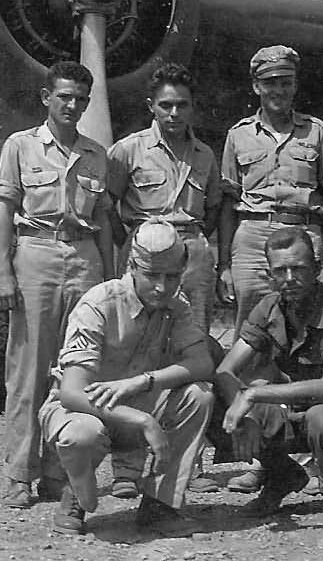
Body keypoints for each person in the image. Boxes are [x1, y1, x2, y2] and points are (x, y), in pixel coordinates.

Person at [217, 44, 323, 493]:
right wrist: (224, 263)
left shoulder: (317, 132)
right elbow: (228, 205)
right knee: (254, 344)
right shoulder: (238, 135)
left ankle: (320, 449)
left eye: (286, 82)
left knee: (312, 335)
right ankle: (264, 455)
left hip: (302, 236)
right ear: (256, 86)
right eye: (269, 82)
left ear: (296, 85)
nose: (278, 90)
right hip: (252, 239)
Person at [39, 220, 215, 536]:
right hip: (85, 410)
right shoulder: (98, 303)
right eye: (152, 276)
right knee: (82, 434)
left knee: (199, 395)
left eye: (172, 277)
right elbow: (72, 393)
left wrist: (144, 381)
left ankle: (161, 505)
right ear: (132, 266)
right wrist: (144, 421)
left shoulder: (176, 305)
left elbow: (202, 363)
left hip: (138, 402)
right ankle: (74, 494)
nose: (162, 287)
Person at [0, 61, 114, 509]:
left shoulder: (96, 153)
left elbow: (101, 218)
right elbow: (4, 209)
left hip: (84, 258)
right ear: (47, 98)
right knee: (28, 369)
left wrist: (109, 279)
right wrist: (3, 272)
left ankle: (57, 471)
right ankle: (19, 473)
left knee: (76, 369)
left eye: (81, 99)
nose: (72, 105)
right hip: (36, 254)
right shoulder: (20, 146)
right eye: (64, 96)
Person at [213, 227, 323, 531]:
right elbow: (225, 371)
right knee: (214, 404)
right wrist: (244, 415)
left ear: (316, 267)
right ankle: (282, 476)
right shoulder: (270, 308)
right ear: (270, 274)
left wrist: (254, 395)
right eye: (281, 270)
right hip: (294, 412)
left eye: (298, 268)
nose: (289, 277)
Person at [106, 62, 222, 497]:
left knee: (192, 353)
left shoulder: (205, 155)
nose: (174, 113)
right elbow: (109, 209)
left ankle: (191, 465)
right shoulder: (127, 151)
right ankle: (127, 467)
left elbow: (211, 211)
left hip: (191, 254)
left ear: (193, 108)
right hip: (146, 253)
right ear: (151, 106)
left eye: (183, 105)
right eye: (166, 105)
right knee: (136, 356)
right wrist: (131, 251)